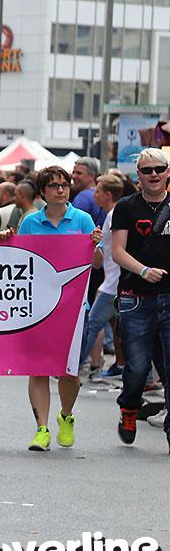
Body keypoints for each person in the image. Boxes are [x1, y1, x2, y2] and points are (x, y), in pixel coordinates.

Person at [0, 166, 101, 451]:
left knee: (69, 373)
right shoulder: (31, 222)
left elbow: (97, 264)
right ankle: (41, 429)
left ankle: (66, 416)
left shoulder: (82, 219)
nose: (60, 190)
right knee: (38, 369)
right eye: (54, 186)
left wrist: (95, 247)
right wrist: (7, 239)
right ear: (43, 192)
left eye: (64, 185)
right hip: (38, 307)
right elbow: (17, 261)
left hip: (74, 307)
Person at [110, 148, 170, 451]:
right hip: (135, 299)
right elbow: (117, 251)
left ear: (168, 172)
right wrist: (143, 270)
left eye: (159, 169)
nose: (154, 175)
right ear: (139, 175)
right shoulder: (126, 206)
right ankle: (130, 408)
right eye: (147, 170)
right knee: (136, 369)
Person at [80, 175, 123, 380]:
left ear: (107, 195)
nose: (94, 195)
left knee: (92, 324)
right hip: (114, 281)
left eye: (98, 191)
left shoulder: (114, 216)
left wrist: (107, 283)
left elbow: (117, 252)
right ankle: (142, 375)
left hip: (113, 284)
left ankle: (72, 366)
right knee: (121, 329)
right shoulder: (112, 215)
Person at [72, 157, 105, 226]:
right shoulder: (102, 195)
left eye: (79, 173)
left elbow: (74, 224)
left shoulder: (83, 197)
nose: (74, 176)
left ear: (92, 176)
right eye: (73, 172)